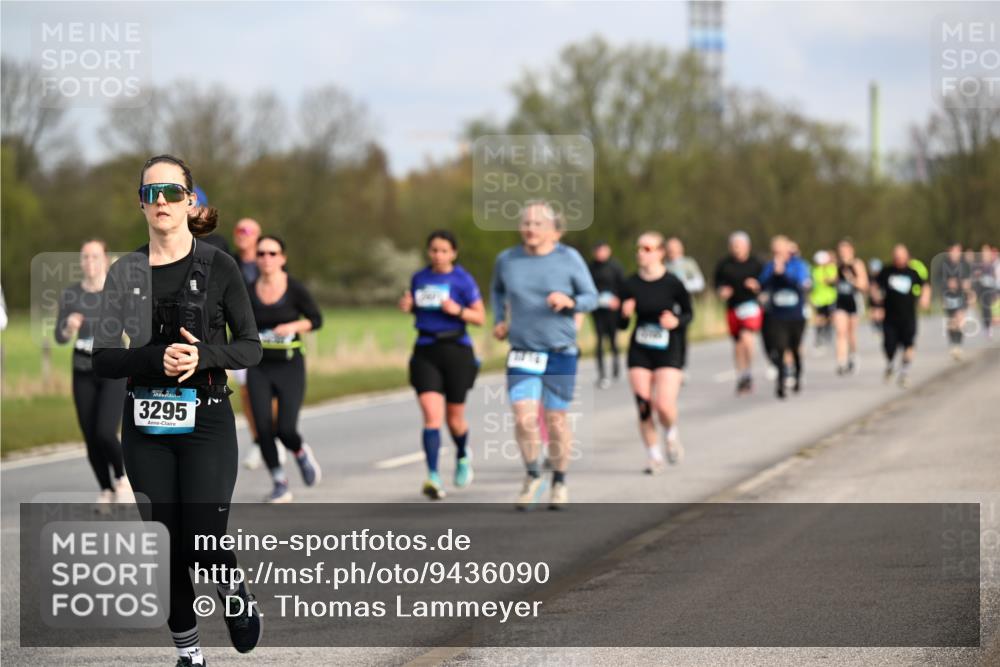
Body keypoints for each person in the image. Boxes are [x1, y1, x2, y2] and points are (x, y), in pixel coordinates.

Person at [94, 154, 263, 665]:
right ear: (141, 204)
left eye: (171, 192)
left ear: (191, 201)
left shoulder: (219, 266)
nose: (161, 201)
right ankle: (188, 653)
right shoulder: (124, 272)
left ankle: (233, 589)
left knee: (204, 537)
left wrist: (202, 354)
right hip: (145, 421)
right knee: (166, 544)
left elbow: (251, 347)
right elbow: (104, 358)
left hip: (207, 418)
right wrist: (153, 357)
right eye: (151, 193)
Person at [490, 201, 597, 510]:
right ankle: (533, 474)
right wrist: (499, 320)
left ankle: (560, 480)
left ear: (553, 230)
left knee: (556, 421)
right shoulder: (507, 260)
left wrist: (569, 300)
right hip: (522, 351)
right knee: (524, 418)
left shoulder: (569, 259)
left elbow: (592, 298)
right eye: (525, 223)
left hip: (560, 351)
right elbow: (497, 290)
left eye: (537, 224)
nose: (530, 229)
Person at [399, 230, 485, 500]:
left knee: (454, 419)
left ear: (453, 253)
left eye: (444, 250)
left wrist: (457, 310)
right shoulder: (419, 278)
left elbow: (480, 317)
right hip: (426, 350)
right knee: (431, 417)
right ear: (428, 252)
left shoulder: (463, 280)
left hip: (456, 350)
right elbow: (418, 307)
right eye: (434, 250)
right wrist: (408, 305)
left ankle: (461, 455)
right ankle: (433, 477)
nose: (438, 255)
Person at [247, 234, 323, 503]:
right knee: (263, 428)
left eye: (272, 253)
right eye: (261, 254)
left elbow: (316, 320)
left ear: (282, 258)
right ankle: (279, 481)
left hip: (290, 365)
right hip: (259, 367)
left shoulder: (295, 289)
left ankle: (301, 452)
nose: (266, 259)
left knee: (285, 429)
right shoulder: (248, 289)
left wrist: (292, 326)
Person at [54, 239, 129, 505]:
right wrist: (68, 327)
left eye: (95, 257)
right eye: (85, 257)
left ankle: (122, 479)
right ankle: (105, 489)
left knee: (105, 432)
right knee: (90, 437)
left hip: (112, 369)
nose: (89, 262)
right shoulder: (72, 294)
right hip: (83, 369)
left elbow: (136, 327)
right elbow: (60, 338)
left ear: (106, 260)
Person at [619, 232, 693, 473]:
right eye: (639, 248)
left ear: (660, 253)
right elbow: (620, 325)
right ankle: (654, 456)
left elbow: (689, 313)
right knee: (643, 405)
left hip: (668, 348)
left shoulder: (673, 282)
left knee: (663, 405)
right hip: (640, 349)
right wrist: (624, 314)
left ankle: (671, 432)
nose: (641, 253)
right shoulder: (630, 284)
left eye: (647, 249)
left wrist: (676, 321)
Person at [229, 217, 283, 471]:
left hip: (269, 336)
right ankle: (258, 440)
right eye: (238, 230)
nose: (242, 234)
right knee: (247, 393)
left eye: (248, 230)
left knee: (270, 392)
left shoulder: (267, 260)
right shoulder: (230, 262)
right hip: (239, 336)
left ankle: (273, 436)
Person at [759, 236, 811, 399]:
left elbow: (803, 283)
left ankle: (797, 374)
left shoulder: (798, 265)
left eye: (779, 249)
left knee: (794, 347)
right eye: (774, 250)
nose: (776, 252)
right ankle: (781, 383)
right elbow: (762, 283)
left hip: (795, 315)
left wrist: (784, 274)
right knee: (780, 347)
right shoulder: (770, 266)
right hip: (777, 315)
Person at [713, 231, 764, 395]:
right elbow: (716, 284)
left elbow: (766, 283)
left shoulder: (756, 263)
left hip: (750, 305)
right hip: (733, 307)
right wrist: (722, 291)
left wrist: (757, 286)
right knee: (738, 344)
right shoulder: (724, 264)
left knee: (747, 338)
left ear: (747, 247)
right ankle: (742, 375)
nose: (736, 249)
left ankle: (748, 372)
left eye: (739, 246)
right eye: (734, 246)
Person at [874, 244, 930, 388]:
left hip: (908, 316)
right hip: (890, 317)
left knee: (909, 344)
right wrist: (876, 304)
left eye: (901, 255)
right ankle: (891, 364)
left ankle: (904, 372)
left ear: (907, 256)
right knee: (889, 346)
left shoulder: (912, 273)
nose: (899, 258)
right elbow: (874, 286)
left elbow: (925, 285)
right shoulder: (886, 271)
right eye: (896, 256)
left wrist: (925, 298)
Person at [587, 241, 625, 389]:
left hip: (612, 309)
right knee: (599, 341)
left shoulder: (615, 266)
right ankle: (602, 374)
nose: (600, 254)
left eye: (602, 250)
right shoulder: (590, 268)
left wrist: (618, 300)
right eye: (597, 251)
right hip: (597, 309)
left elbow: (623, 286)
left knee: (613, 339)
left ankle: (616, 364)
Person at [665, 236, 704, 375]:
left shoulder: (688, 263)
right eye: (669, 249)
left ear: (680, 249)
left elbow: (699, 282)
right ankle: (672, 365)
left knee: (681, 337)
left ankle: (681, 365)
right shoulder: (664, 266)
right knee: (669, 337)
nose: (672, 251)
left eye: (674, 249)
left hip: (684, 306)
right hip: (668, 307)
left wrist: (683, 286)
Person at [832, 239, 869, 375]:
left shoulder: (857, 264)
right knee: (840, 331)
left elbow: (864, 285)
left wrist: (852, 279)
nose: (843, 254)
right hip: (841, 301)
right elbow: (834, 281)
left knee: (851, 333)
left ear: (851, 251)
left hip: (854, 301)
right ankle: (841, 362)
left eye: (845, 251)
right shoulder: (837, 265)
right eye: (840, 251)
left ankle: (853, 356)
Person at [934, 244, 973, 360]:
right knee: (952, 322)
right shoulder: (943, 264)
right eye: (953, 251)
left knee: (960, 319)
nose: (955, 253)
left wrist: (969, 290)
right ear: (949, 251)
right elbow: (937, 280)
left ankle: (958, 345)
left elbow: (969, 280)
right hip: (948, 296)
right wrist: (947, 284)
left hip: (962, 295)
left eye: (958, 251)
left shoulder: (965, 264)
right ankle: (953, 343)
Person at [810, 250, 837, 348]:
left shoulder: (831, 268)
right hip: (818, 298)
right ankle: (819, 335)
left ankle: (828, 332)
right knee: (819, 317)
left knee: (830, 316)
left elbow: (834, 279)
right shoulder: (814, 270)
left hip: (830, 297)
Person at [972, 244, 998, 340]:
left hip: (990, 289)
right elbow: (975, 277)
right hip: (981, 289)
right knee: (983, 309)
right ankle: (985, 326)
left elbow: (995, 278)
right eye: (984, 252)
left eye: (987, 252)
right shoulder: (978, 264)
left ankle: (989, 327)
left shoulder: (992, 265)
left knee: (989, 309)